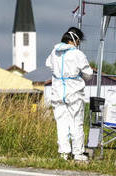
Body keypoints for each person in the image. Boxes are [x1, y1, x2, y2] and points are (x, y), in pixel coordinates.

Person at [46, 27, 93, 161]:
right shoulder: (77, 54)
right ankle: (78, 153)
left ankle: (64, 154)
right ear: (75, 40)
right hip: (74, 94)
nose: (79, 44)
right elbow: (88, 74)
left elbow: (49, 64)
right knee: (76, 123)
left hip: (57, 93)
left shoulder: (54, 52)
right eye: (79, 41)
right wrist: (78, 74)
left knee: (61, 124)